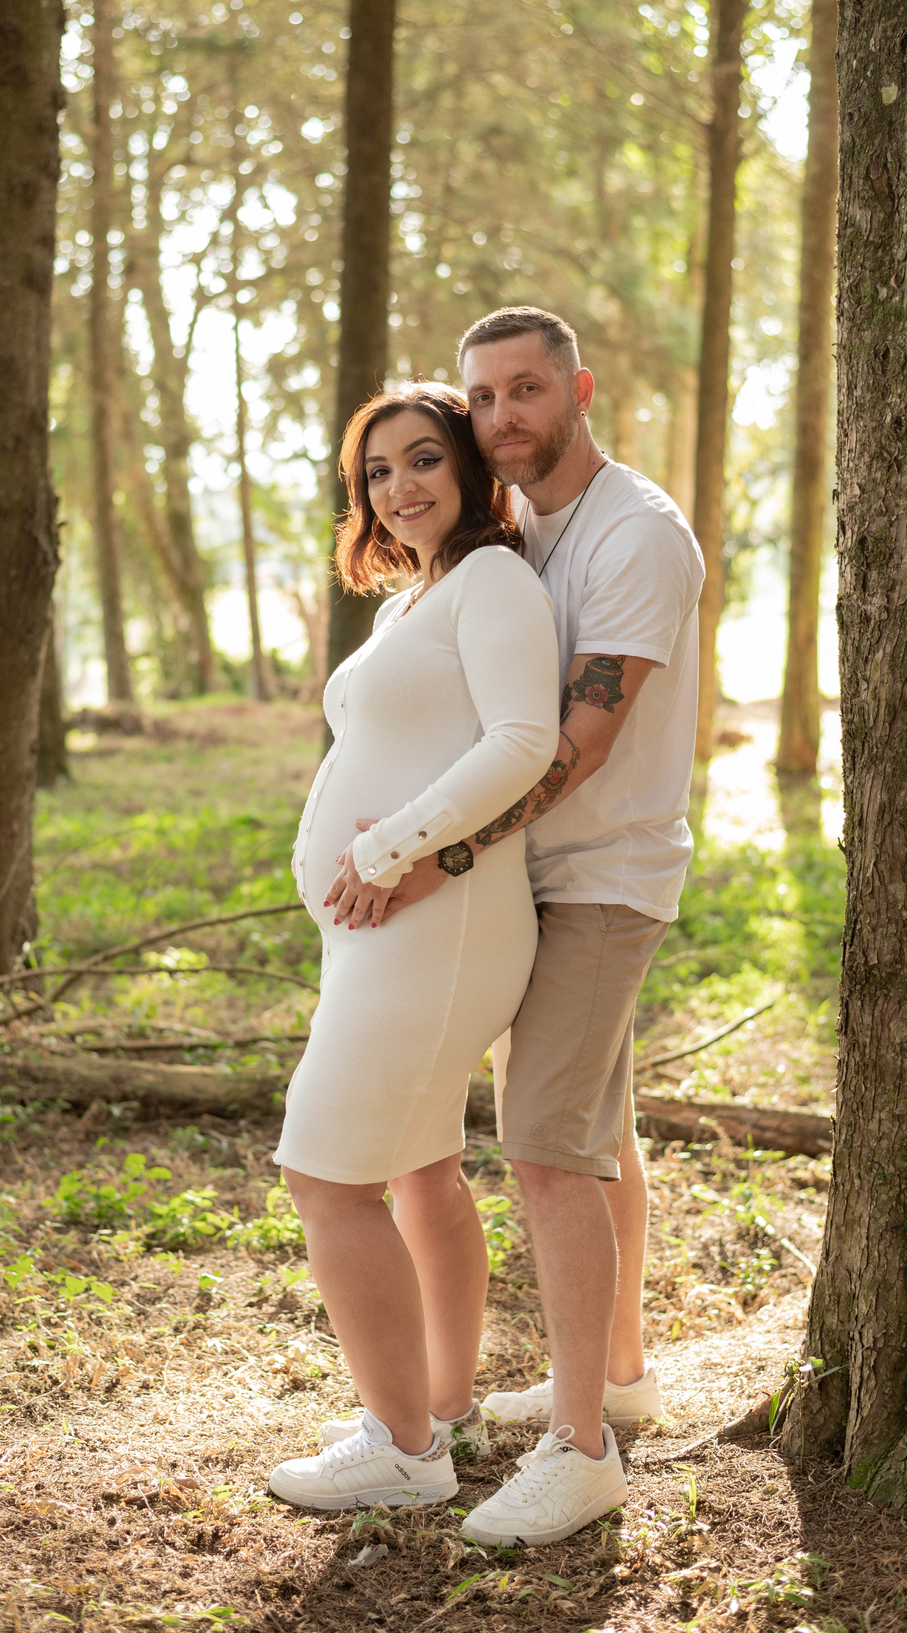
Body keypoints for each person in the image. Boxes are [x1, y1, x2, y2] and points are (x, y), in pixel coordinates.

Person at [337, 307, 705, 1547]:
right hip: (526, 881)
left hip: (599, 873)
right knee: (597, 1130)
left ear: (579, 389)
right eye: (484, 398)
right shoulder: (520, 530)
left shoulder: (634, 536)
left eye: (527, 391)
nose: (504, 418)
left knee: (546, 1147)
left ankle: (581, 1451)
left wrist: (438, 854)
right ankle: (619, 1374)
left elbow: (577, 740)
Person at [267, 382, 562, 1512]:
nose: (401, 485)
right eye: (378, 471)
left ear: (472, 468)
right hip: (384, 938)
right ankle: (440, 1403)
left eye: (423, 457)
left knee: (323, 1173)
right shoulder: (415, 599)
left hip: (436, 927)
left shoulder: (492, 579)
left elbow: (525, 740)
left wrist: (388, 850)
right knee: (421, 1168)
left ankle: (401, 1448)